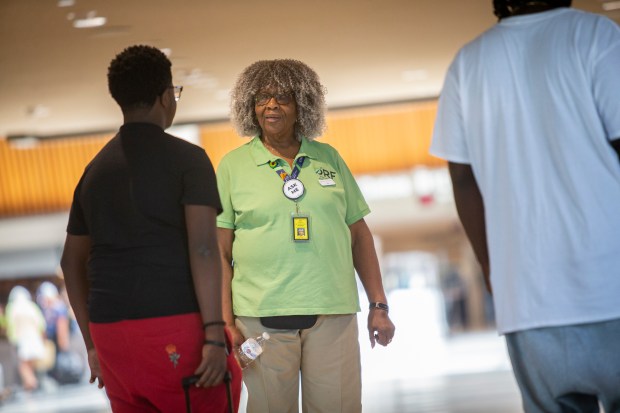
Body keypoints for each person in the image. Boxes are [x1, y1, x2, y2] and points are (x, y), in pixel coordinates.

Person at [430, 1, 620, 412]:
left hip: (527, 295)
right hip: (610, 281)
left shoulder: (468, 62)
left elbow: (462, 179)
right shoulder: (595, 35)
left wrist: (489, 265)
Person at [60, 44, 241, 412]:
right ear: (164, 97)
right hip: (174, 325)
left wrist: (92, 345)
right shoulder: (188, 160)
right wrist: (213, 335)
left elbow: (70, 262)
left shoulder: (93, 173)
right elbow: (204, 248)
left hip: (110, 332)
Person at [218, 58, 395, 413]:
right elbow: (219, 252)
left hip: (333, 314)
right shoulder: (232, 166)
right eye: (262, 97)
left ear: (302, 104)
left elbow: (359, 236)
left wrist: (379, 304)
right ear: (249, 106)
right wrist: (224, 322)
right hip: (259, 317)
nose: (271, 105)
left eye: (283, 97)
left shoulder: (328, 158)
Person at [5, 286, 46, 392]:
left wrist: (12, 339)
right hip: (34, 338)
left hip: (21, 339)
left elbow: (11, 325)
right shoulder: (32, 306)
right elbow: (41, 324)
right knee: (29, 363)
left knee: (22, 363)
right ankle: (30, 383)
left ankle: (31, 382)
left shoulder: (12, 308)